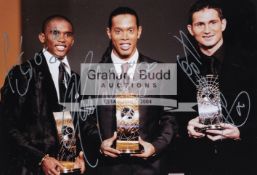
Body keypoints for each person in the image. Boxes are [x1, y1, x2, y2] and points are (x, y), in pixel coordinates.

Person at [174, 0, 257, 174]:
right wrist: (186, 127)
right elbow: (171, 118)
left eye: (213, 22)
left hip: (243, 162)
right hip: (197, 164)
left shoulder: (251, 64)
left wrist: (241, 132)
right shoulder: (179, 69)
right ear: (190, 29)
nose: (207, 30)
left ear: (223, 24)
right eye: (200, 24)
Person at [0, 15, 88, 175]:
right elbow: (6, 125)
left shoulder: (76, 80)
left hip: (68, 169)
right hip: (30, 170)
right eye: (55, 33)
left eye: (67, 34)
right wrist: (40, 159)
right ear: (42, 37)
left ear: (72, 40)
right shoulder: (21, 74)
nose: (62, 39)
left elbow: (78, 126)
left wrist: (80, 155)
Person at [95, 7, 177, 175]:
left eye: (130, 30)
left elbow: (171, 118)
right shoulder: (93, 73)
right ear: (109, 33)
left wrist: (155, 147)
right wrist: (100, 144)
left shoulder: (160, 70)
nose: (125, 37)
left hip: (150, 167)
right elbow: (86, 120)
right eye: (118, 31)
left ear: (139, 32)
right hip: (108, 168)